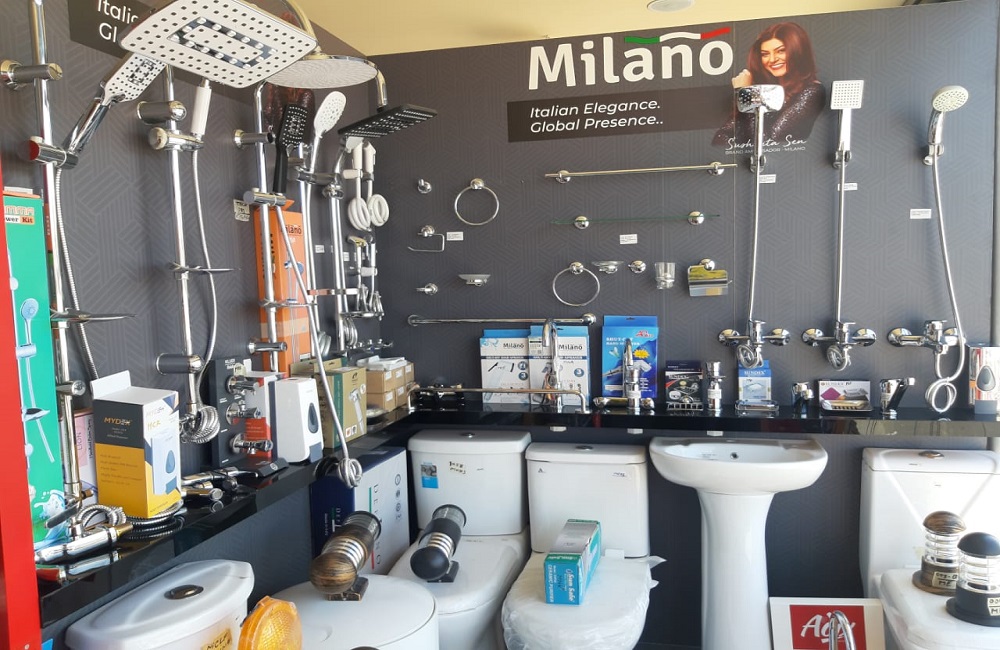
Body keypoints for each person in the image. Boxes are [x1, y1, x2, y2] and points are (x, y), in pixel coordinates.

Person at [712, 22, 825, 148]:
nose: (772, 59)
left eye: (780, 51)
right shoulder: (764, 91)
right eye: (765, 54)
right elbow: (720, 137)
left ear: (798, 51)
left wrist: (745, 92)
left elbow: (768, 143)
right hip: (747, 160)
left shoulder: (812, 91)